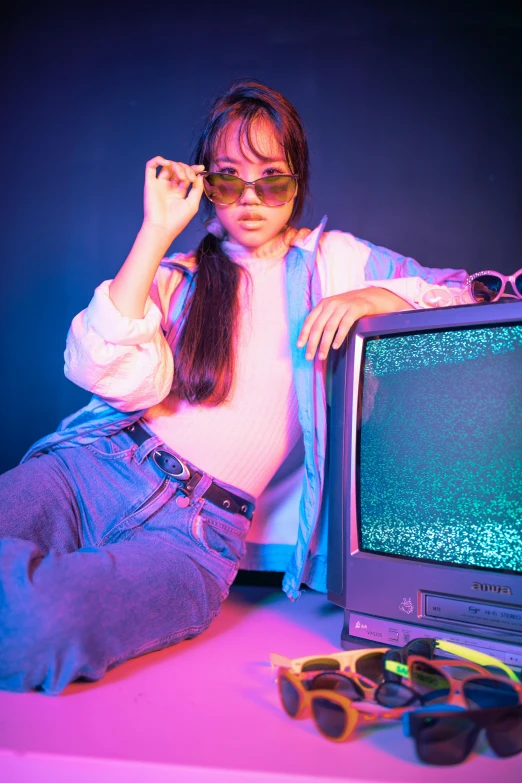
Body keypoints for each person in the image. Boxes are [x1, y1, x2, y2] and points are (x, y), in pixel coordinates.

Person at [0, 78, 469, 694]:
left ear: (297, 180)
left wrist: (373, 296)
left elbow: (466, 291)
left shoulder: (338, 262)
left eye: (271, 178)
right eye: (227, 179)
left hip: (195, 539)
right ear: (204, 185)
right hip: (95, 470)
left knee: (42, 626)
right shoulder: (180, 276)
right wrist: (156, 231)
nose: (250, 198)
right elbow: (101, 371)